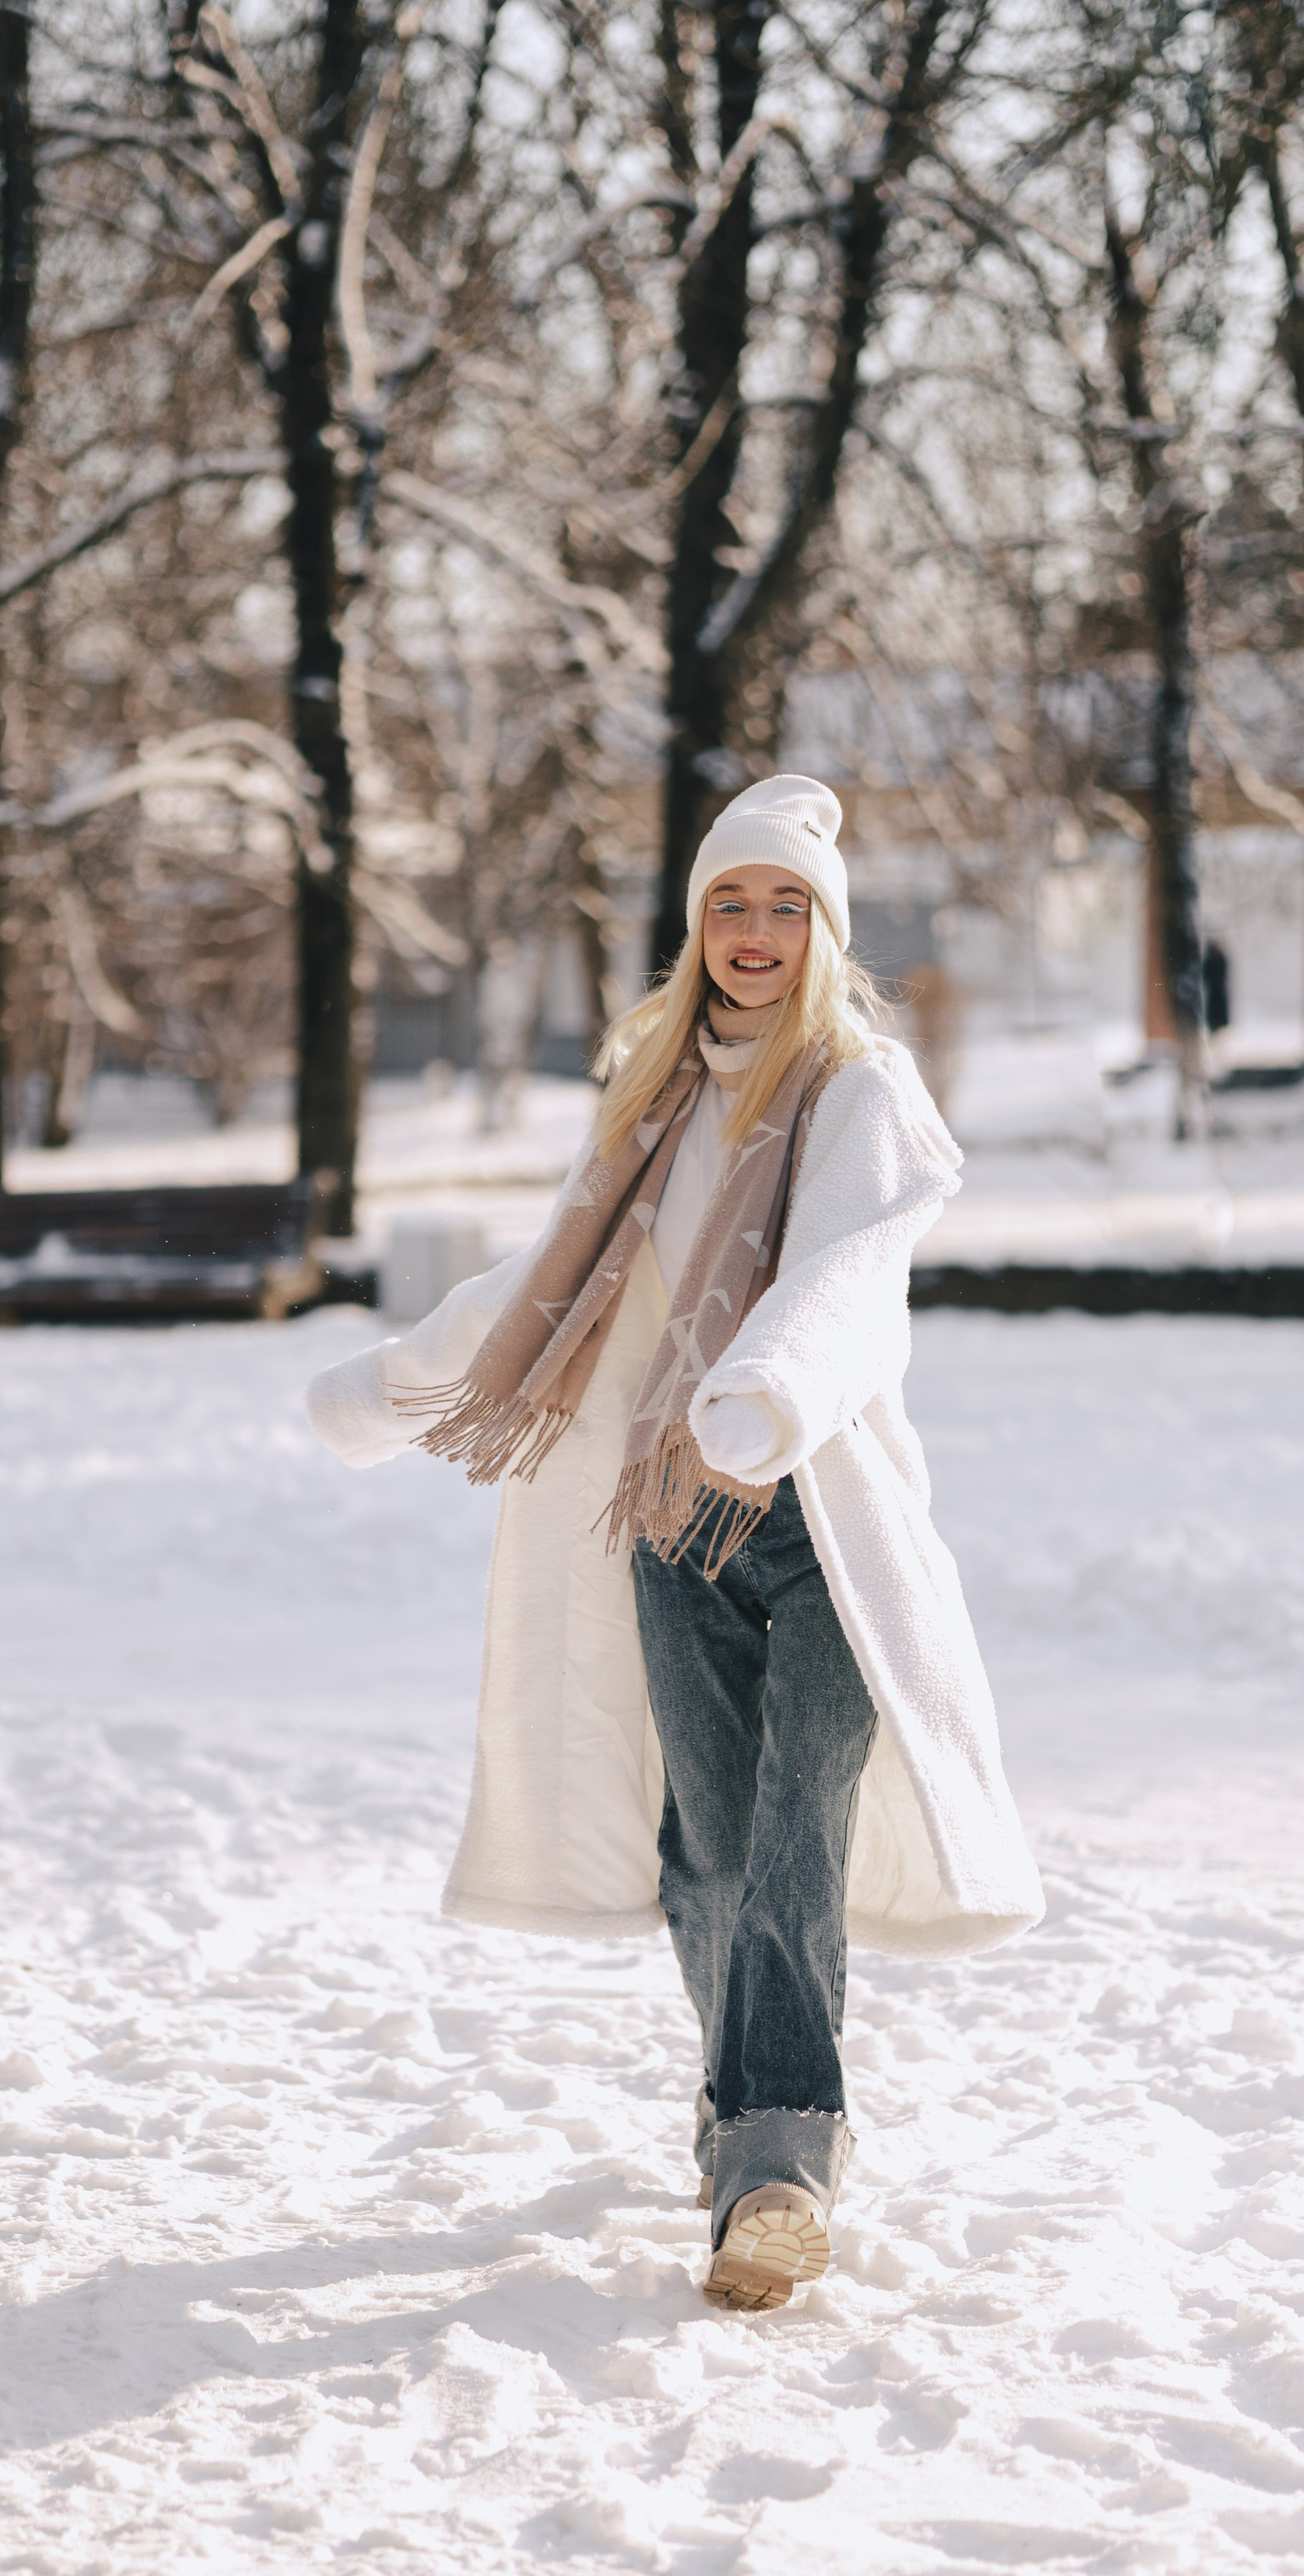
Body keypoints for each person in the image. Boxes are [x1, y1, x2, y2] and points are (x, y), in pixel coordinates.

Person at [307, 777, 1043, 2313]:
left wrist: (764, 1391)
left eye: (785, 907)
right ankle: (735, 2115)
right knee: (703, 1851)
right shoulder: (653, 1101)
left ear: (823, 930)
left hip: (817, 1528)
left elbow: (845, 1274)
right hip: (669, 1519)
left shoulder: (856, 1092)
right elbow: (550, 1283)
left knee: (792, 1831)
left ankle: (779, 2164)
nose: (756, 933)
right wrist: (386, 1388)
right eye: (731, 903)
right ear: (695, 923)